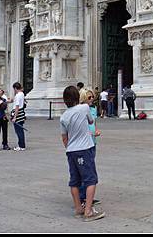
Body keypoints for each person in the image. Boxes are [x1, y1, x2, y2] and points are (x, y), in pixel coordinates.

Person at [60, 85, 105, 222]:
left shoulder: (63, 116)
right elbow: (91, 121)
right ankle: (88, 211)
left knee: (74, 181)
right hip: (85, 149)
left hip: (71, 151)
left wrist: (70, 148)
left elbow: (64, 138)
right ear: (77, 98)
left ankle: (78, 208)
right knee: (91, 180)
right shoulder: (84, 108)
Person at [78, 88, 101, 207]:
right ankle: (82, 198)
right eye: (89, 97)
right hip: (84, 143)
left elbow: (93, 123)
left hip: (93, 142)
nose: (92, 99)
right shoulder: (80, 111)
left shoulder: (93, 109)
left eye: (93, 97)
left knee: (91, 168)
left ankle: (88, 197)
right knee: (85, 171)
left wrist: (95, 131)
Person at [11, 82, 27, 151]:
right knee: (20, 130)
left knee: (18, 130)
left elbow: (17, 106)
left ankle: (21, 146)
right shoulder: (22, 94)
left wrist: (14, 117)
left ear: (15, 88)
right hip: (21, 113)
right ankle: (22, 145)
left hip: (18, 113)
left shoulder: (17, 95)